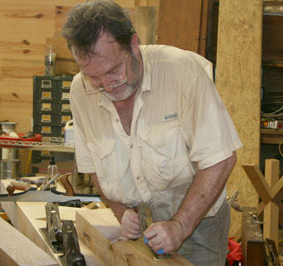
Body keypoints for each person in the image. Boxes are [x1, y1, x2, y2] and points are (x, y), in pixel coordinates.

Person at [62, 1, 242, 265]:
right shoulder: (80, 92)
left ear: (133, 44)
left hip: (197, 222)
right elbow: (93, 165)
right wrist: (120, 211)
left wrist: (179, 226)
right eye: (94, 78)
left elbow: (221, 159)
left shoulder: (182, 72)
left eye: (113, 72)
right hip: (138, 227)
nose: (108, 87)